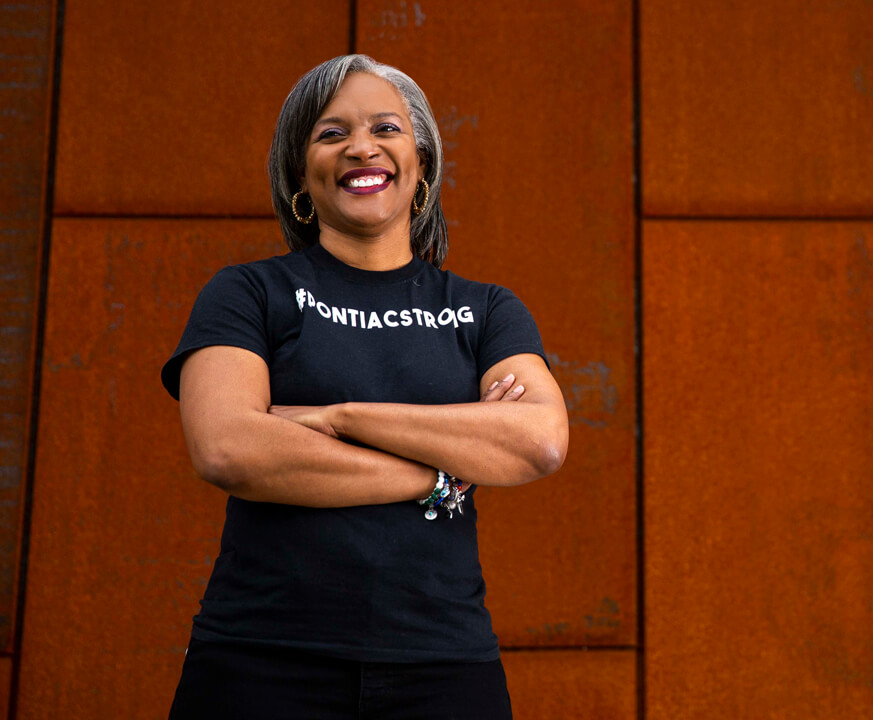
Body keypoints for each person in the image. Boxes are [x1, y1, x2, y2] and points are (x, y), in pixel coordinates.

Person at [160, 54, 568, 719]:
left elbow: (538, 442)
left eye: (386, 128)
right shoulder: (248, 293)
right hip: (261, 661)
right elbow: (228, 448)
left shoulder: (486, 310)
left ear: (422, 163)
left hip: (444, 666)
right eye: (331, 133)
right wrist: (436, 475)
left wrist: (338, 417)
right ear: (300, 172)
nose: (361, 147)